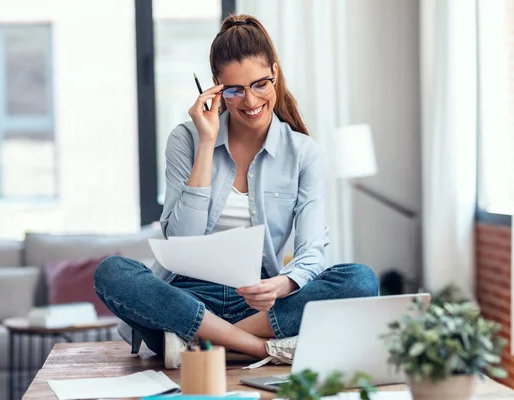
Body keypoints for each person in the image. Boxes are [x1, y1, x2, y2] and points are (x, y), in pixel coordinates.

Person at [94, 14, 379, 370]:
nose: (250, 101)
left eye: (260, 84)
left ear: (274, 73)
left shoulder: (304, 153)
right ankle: (257, 349)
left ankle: (200, 346)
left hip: (260, 301)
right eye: (235, 90)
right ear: (214, 88)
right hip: (186, 297)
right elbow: (180, 241)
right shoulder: (186, 139)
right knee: (111, 272)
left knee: (360, 279)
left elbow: (312, 253)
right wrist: (207, 142)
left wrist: (280, 285)